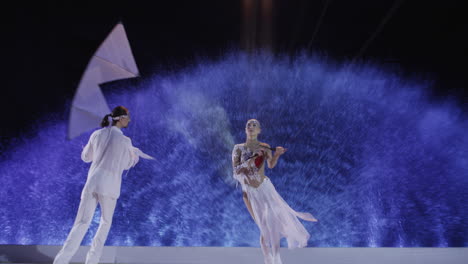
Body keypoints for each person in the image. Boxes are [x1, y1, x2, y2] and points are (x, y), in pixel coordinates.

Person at [54, 106, 153, 264]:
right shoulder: (125, 141)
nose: (130, 120)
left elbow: (86, 157)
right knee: (105, 223)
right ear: (121, 119)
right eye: (128, 117)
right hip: (110, 187)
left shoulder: (96, 134)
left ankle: (60, 261)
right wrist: (134, 157)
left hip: (92, 183)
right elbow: (126, 165)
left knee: (81, 223)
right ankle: (92, 261)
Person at [232, 119, 317, 264]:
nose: (251, 127)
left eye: (255, 125)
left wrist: (277, 154)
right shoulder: (238, 148)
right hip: (250, 194)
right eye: (248, 125)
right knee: (263, 227)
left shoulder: (265, 147)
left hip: (266, 189)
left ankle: (277, 257)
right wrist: (253, 158)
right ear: (245, 130)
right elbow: (236, 171)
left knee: (272, 223)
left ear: (259, 130)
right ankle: (267, 257)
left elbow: (270, 165)